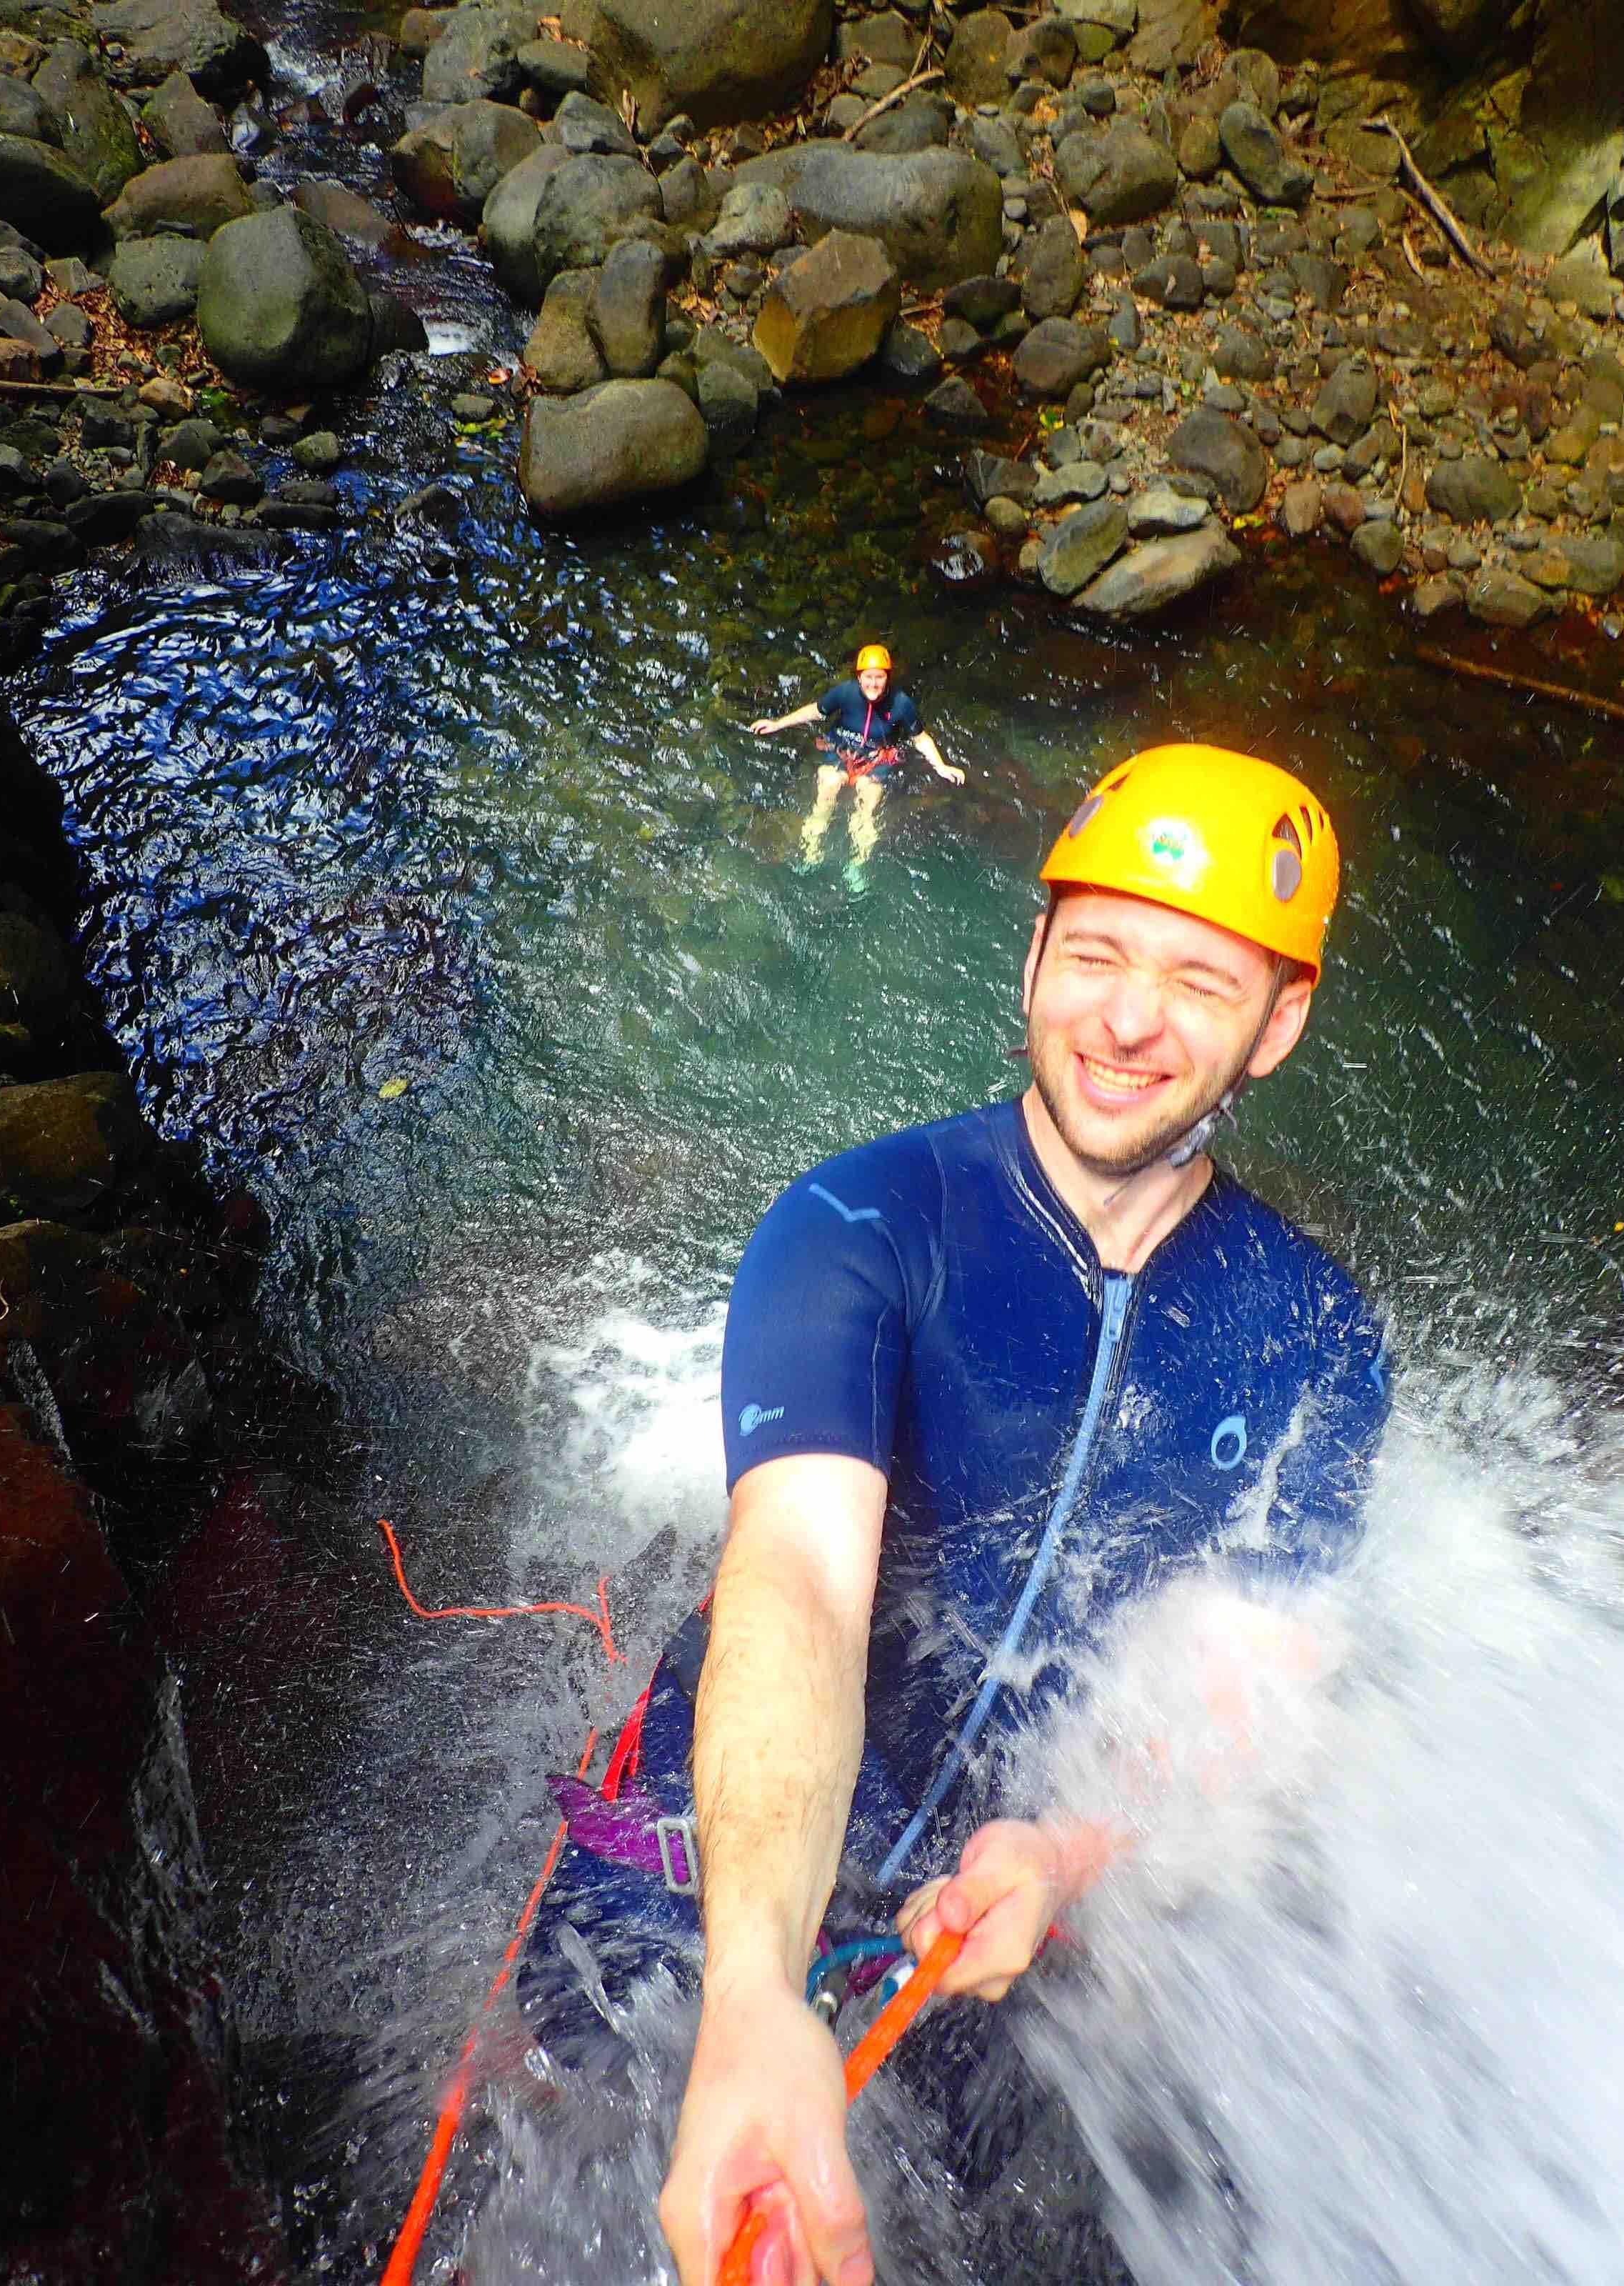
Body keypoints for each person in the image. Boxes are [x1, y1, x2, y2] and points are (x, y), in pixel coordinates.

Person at [514, 744, 1391, 2285]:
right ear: (1034, 954)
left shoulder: (1313, 1332)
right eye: (1096, 953)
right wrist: (750, 1993)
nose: (1126, 1018)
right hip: (713, 1830)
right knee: (568, 2103)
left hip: (1002, 1881)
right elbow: (795, 1577)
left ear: (1282, 1021)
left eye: (1197, 978)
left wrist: (1064, 1849)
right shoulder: (861, 1224)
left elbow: (1250, 1681)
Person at [750, 644, 963, 884]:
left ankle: (857, 865)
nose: (873, 683)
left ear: (888, 678)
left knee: (868, 802)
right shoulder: (846, 693)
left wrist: (941, 767)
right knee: (828, 786)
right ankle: (812, 853)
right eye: (868, 677)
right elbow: (816, 711)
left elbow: (920, 738)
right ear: (859, 677)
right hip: (841, 750)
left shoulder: (901, 704)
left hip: (876, 759)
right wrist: (779, 724)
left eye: (879, 677)